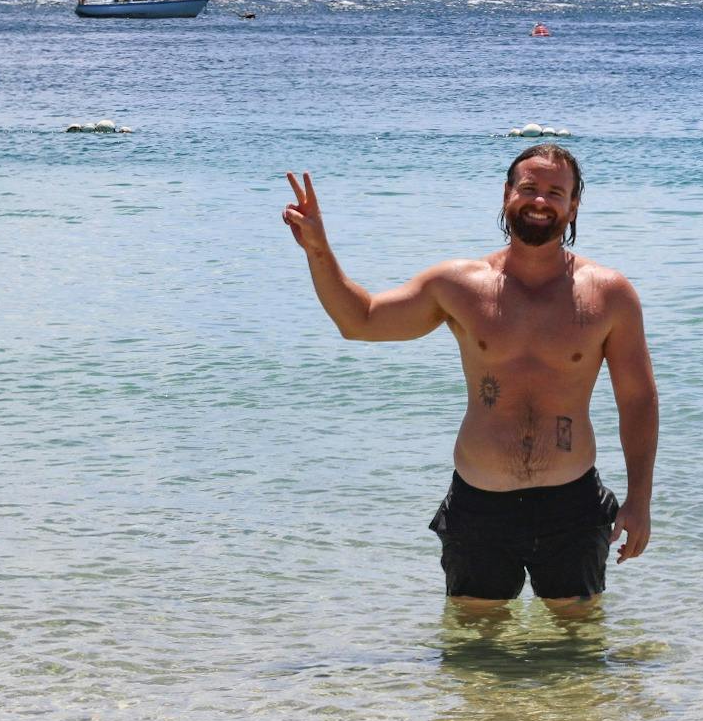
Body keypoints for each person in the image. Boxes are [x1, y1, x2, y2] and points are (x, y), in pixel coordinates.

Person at [281, 144, 657, 610]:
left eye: (555, 192)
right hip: (480, 503)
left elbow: (637, 399)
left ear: (574, 204)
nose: (540, 201)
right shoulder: (459, 285)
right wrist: (318, 249)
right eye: (529, 188)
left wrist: (639, 500)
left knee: (577, 653)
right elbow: (360, 320)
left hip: (572, 505)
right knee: (474, 657)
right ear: (506, 194)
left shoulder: (610, 294)